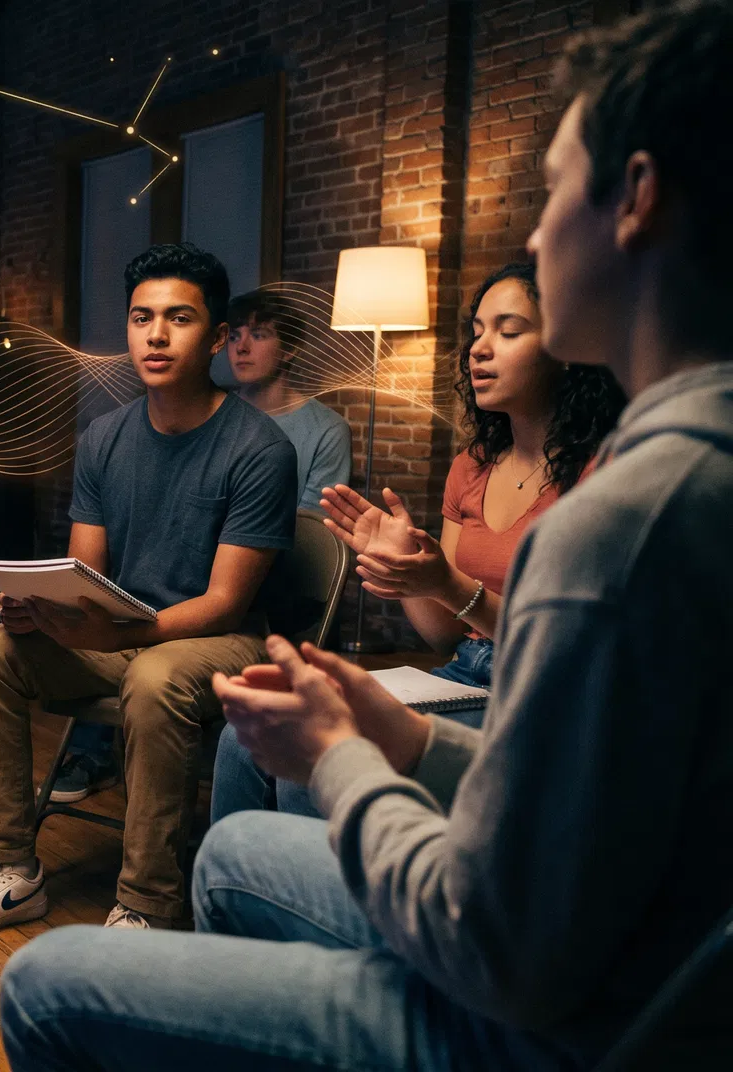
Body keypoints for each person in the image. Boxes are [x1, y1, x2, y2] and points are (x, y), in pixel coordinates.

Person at [0, 5, 733, 1066]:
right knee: (243, 846)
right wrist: (403, 735)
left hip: (549, 1022)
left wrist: (338, 758)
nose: (532, 235)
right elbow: (592, 810)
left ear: (638, 201)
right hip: (617, 944)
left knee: (49, 978)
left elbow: (496, 947)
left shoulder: (620, 525)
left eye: (556, 187)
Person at [0, 243, 296, 942]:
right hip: (122, 632)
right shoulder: (103, 436)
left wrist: (118, 634)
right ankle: (8, 871)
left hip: (219, 638)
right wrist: (40, 607)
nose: (155, 335)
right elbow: (85, 576)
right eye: (141, 318)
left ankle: (148, 902)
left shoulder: (259, 448)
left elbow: (224, 603)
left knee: (154, 678)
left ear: (215, 337)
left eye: (178, 319)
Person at [212, 262, 625, 820]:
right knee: (245, 735)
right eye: (476, 331)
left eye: (508, 330)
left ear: (566, 346)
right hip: (465, 670)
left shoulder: (602, 472)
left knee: (321, 758)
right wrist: (404, 569)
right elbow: (442, 636)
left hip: (542, 693)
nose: (480, 348)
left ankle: (322, 902)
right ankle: (250, 894)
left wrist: (450, 584)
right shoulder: (471, 467)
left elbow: (569, 648)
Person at [223, 290, 352, 511]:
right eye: (234, 337)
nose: (241, 347)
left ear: (289, 349)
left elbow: (313, 529)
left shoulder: (327, 430)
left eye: (258, 335)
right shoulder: (211, 413)